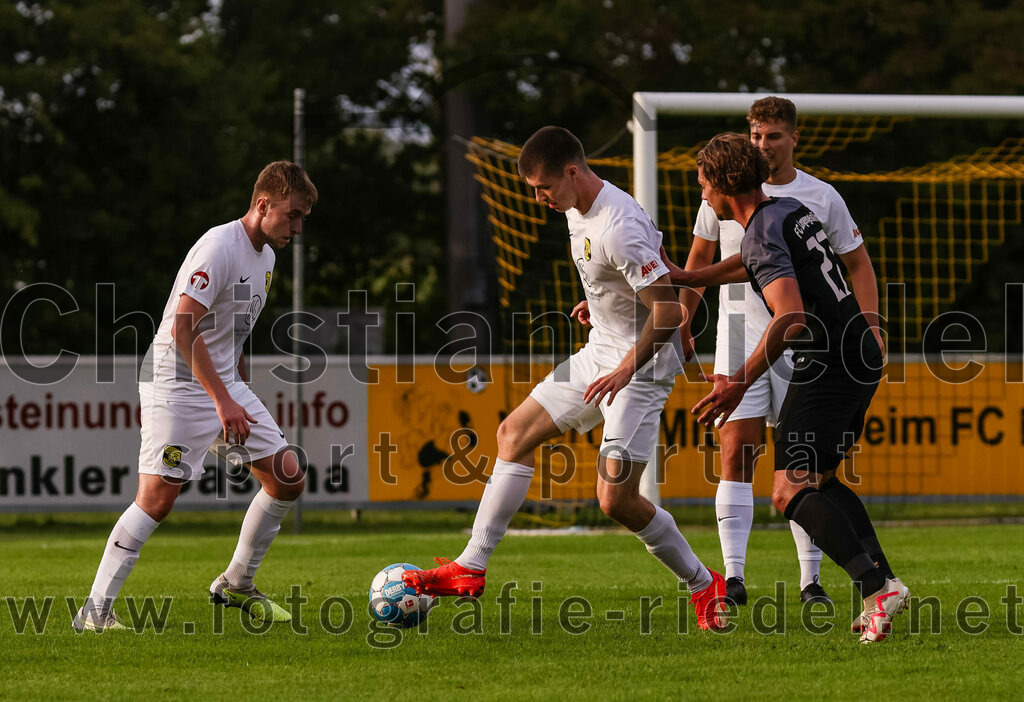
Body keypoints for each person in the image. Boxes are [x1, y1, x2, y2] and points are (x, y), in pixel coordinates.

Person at [403, 126, 728, 630]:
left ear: (573, 173)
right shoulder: (576, 208)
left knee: (614, 499)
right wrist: (599, 303)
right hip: (601, 350)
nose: (539, 199)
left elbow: (667, 314)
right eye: (534, 189)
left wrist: (624, 368)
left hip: (639, 371)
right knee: (512, 433)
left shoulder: (618, 224)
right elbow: (623, 282)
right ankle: (471, 565)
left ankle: (704, 584)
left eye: (544, 188)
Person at [677, 132, 908, 643]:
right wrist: (690, 277)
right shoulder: (782, 210)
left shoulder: (761, 229)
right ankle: (884, 585)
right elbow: (752, 261)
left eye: (702, 183)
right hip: (856, 353)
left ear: (722, 184)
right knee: (819, 479)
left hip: (830, 363)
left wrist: (738, 382)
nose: (700, 193)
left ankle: (878, 587)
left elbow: (792, 317)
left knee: (788, 488)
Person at [73, 161, 318, 631]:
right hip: (175, 382)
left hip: (222, 384)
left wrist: (237, 391)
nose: (298, 227)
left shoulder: (266, 258)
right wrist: (225, 400)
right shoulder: (218, 247)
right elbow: (185, 326)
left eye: (303, 217)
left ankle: (237, 583)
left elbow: (231, 333)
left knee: (288, 476)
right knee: (157, 500)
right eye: (292, 215)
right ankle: (94, 611)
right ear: (262, 204)